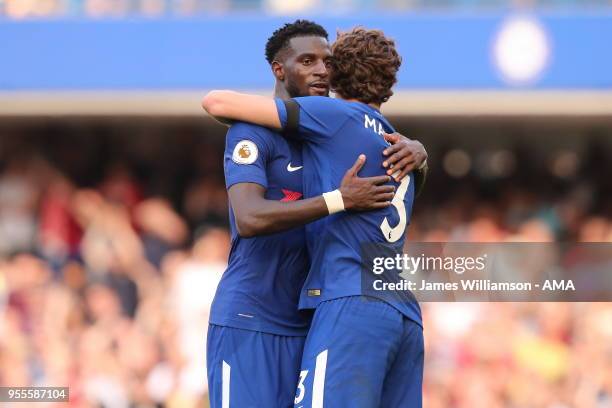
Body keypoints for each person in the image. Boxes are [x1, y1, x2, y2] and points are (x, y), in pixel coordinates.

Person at [205, 22, 427, 407]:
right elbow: (249, 218)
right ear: (280, 69)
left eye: (329, 62)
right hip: (251, 318)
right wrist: (337, 199)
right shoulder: (252, 134)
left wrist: (420, 153)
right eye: (308, 61)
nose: (322, 71)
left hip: (312, 321)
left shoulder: (327, 136)